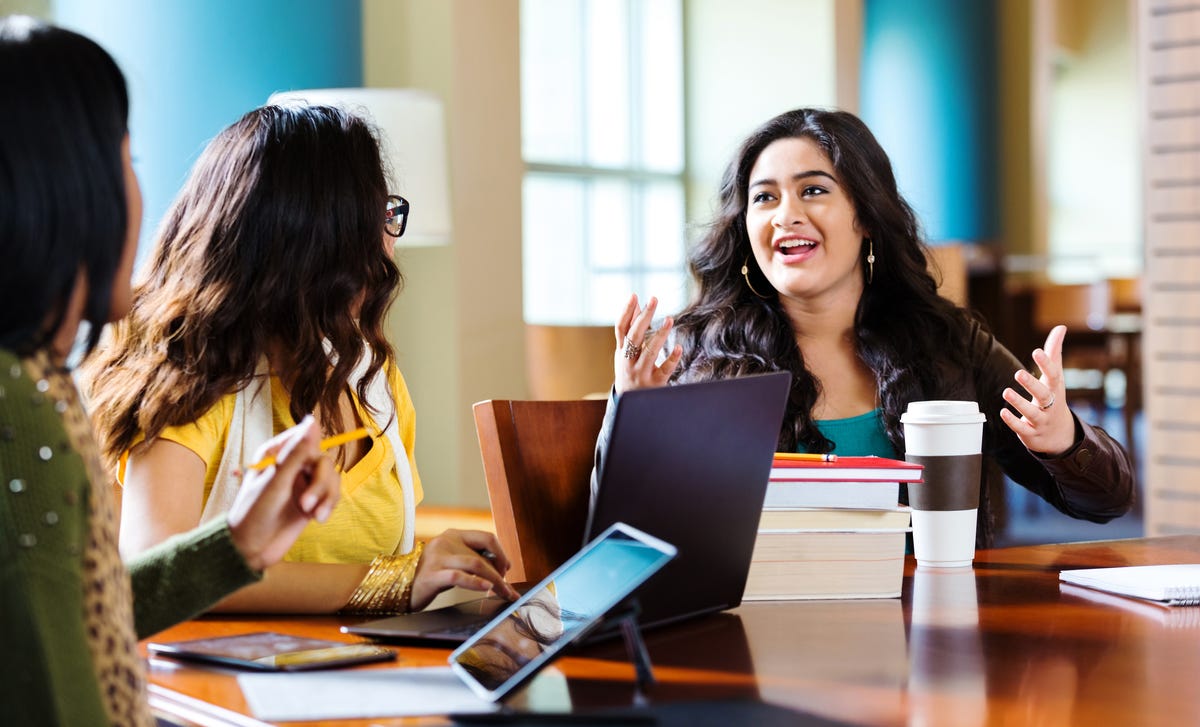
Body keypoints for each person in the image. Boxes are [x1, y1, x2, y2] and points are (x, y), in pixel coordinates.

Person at [0, 16, 343, 725]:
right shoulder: (20, 408)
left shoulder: (35, 381)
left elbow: (79, 608)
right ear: (69, 189)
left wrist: (238, 542)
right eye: (127, 161)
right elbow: (56, 686)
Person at [601, 108, 1134, 547]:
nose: (785, 214)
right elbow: (625, 542)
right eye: (764, 197)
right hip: (759, 639)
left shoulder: (948, 343)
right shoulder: (692, 356)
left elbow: (1107, 502)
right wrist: (636, 426)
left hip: (929, 635)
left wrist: (1063, 438)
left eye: (813, 190)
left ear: (867, 218)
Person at [82, 102, 520, 614]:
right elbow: (149, 568)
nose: (389, 248)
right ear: (317, 240)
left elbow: (384, 570)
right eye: (377, 218)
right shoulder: (192, 372)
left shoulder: (373, 377)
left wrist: (436, 566)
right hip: (217, 691)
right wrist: (392, 581)